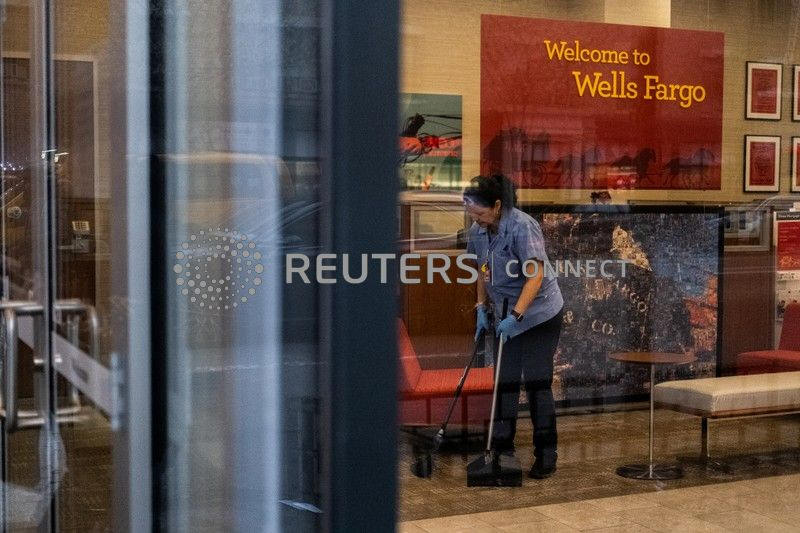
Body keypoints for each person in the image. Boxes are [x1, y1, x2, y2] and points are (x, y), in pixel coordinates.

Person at [463, 174, 564, 479]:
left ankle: (546, 454)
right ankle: (502, 451)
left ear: (497, 205)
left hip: (538, 315)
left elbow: (535, 276)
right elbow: (482, 269)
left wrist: (516, 317)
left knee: (536, 384)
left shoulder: (522, 226)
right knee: (504, 383)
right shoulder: (478, 231)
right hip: (504, 312)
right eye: (471, 213)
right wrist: (481, 308)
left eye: (480, 213)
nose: (475, 218)